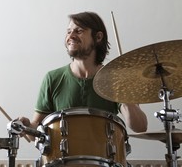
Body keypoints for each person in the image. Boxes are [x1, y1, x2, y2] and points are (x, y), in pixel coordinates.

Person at [19, 11, 148, 140]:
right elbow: (34, 134)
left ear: (98, 37)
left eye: (79, 31)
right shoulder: (53, 78)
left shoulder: (114, 78)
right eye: (69, 31)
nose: (71, 36)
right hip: (62, 158)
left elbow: (140, 127)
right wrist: (27, 126)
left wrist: (125, 94)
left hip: (104, 157)